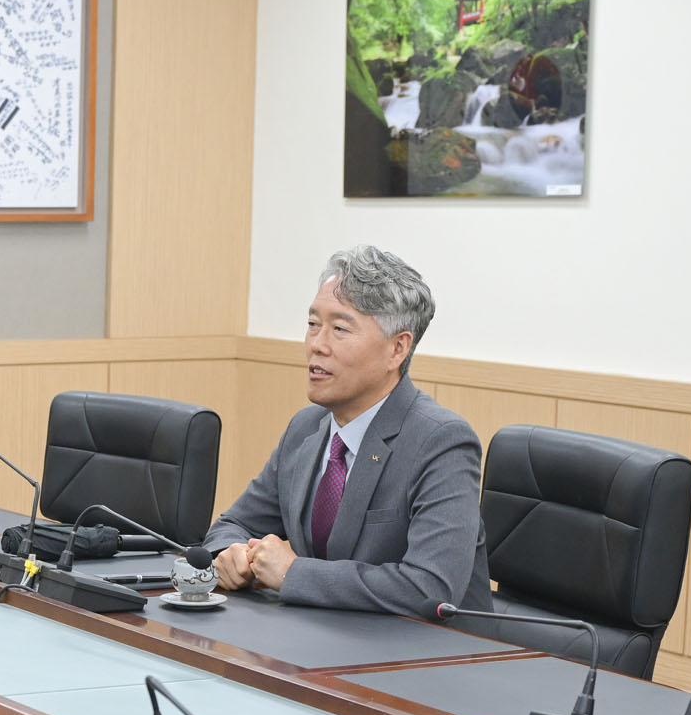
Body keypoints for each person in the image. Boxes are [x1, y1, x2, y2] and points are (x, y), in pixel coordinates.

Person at [202, 245, 491, 618]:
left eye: (339, 329)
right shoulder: (306, 427)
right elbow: (233, 524)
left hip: (423, 648)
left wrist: (293, 573)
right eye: (312, 324)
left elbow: (429, 589)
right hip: (321, 636)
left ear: (397, 348)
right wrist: (232, 554)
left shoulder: (441, 441)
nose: (317, 345)